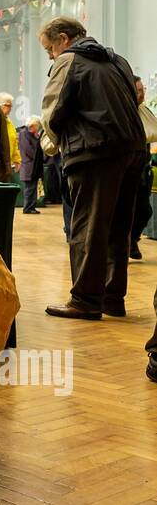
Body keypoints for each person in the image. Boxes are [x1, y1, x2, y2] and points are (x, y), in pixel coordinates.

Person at [40, 16, 145, 320]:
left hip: (94, 151)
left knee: (88, 227)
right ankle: (113, 298)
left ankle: (85, 299)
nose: (50, 55)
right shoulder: (119, 61)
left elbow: (53, 111)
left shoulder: (69, 60)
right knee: (118, 228)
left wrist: (55, 143)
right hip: (132, 148)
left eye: (49, 48)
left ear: (63, 39)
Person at [129, 76, 157, 260]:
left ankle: (132, 239)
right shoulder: (125, 111)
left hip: (142, 171)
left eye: (143, 91)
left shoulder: (143, 111)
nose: (142, 95)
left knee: (145, 210)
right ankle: (126, 245)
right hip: (127, 171)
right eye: (138, 91)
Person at [17, 116, 44, 214]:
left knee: (33, 188)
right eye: (37, 126)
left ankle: (32, 207)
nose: (38, 128)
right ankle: (27, 208)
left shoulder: (32, 135)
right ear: (33, 125)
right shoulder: (24, 134)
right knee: (29, 189)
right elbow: (29, 150)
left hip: (34, 166)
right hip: (29, 166)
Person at [0, 93, 21, 185]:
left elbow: (14, 143)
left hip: (7, 165)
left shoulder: (9, 123)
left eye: (11, 106)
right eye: (7, 105)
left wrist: (17, 160)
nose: (10, 109)